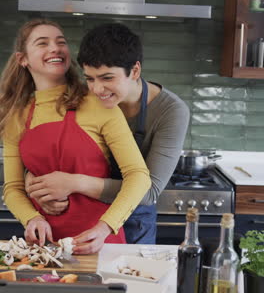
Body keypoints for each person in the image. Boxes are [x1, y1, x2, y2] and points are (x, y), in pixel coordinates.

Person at [25, 22, 190, 245]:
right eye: (90, 78)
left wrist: (74, 183)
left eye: (107, 78)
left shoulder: (171, 111)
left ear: (135, 71)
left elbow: (148, 192)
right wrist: (36, 185)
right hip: (80, 216)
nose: (97, 89)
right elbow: (48, 149)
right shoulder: (81, 98)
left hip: (134, 219)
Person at [0, 19, 151, 253]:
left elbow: (138, 176)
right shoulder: (16, 116)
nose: (55, 48)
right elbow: (12, 187)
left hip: (100, 244)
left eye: (60, 42)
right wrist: (31, 219)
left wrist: (104, 228)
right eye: (43, 43)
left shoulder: (99, 105)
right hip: (45, 248)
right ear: (23, 59)